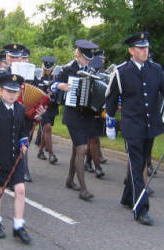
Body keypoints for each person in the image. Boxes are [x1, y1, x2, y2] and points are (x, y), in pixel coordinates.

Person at [105, 31, 164, 225]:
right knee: (137, 166)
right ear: (131, 50)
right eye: (141, 48)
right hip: (132, 125)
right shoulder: (121, 71)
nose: (145, 51)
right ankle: (141, 209)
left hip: (150, 124)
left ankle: (127, 197)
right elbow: (111, 98)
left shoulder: (156, 69)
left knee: (142, 161)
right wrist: (110, 120)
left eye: (146, 48)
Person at [50, 39, 104, 201]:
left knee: (76, 149)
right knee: (82, 149)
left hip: (87, 114)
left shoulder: (93, 69)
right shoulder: (68, 68)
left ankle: (69, 180)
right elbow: (52, 85)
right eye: (85, 58)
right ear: (78, 54)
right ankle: (83, 189)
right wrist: (60, 86)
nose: (87, 62)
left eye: (89, 59)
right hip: (72, 114)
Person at [0, 74, 31, 244]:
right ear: (1, 91)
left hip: (16, 157)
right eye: (8, 91)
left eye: (15, 92)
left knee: (20, 190)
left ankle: (19, 226)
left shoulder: (20, 108)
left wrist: (24, 142)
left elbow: (22, 131)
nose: (12, 95)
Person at [35, 56, 59, 164]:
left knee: (46, 130)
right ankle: (51, 154)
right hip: (42, 108)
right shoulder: (38, 78)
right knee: (47, 128)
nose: (48, 70)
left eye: (50, 68)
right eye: (46, 68)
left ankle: (40, 152)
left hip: (52, 107)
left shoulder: (57, 78)